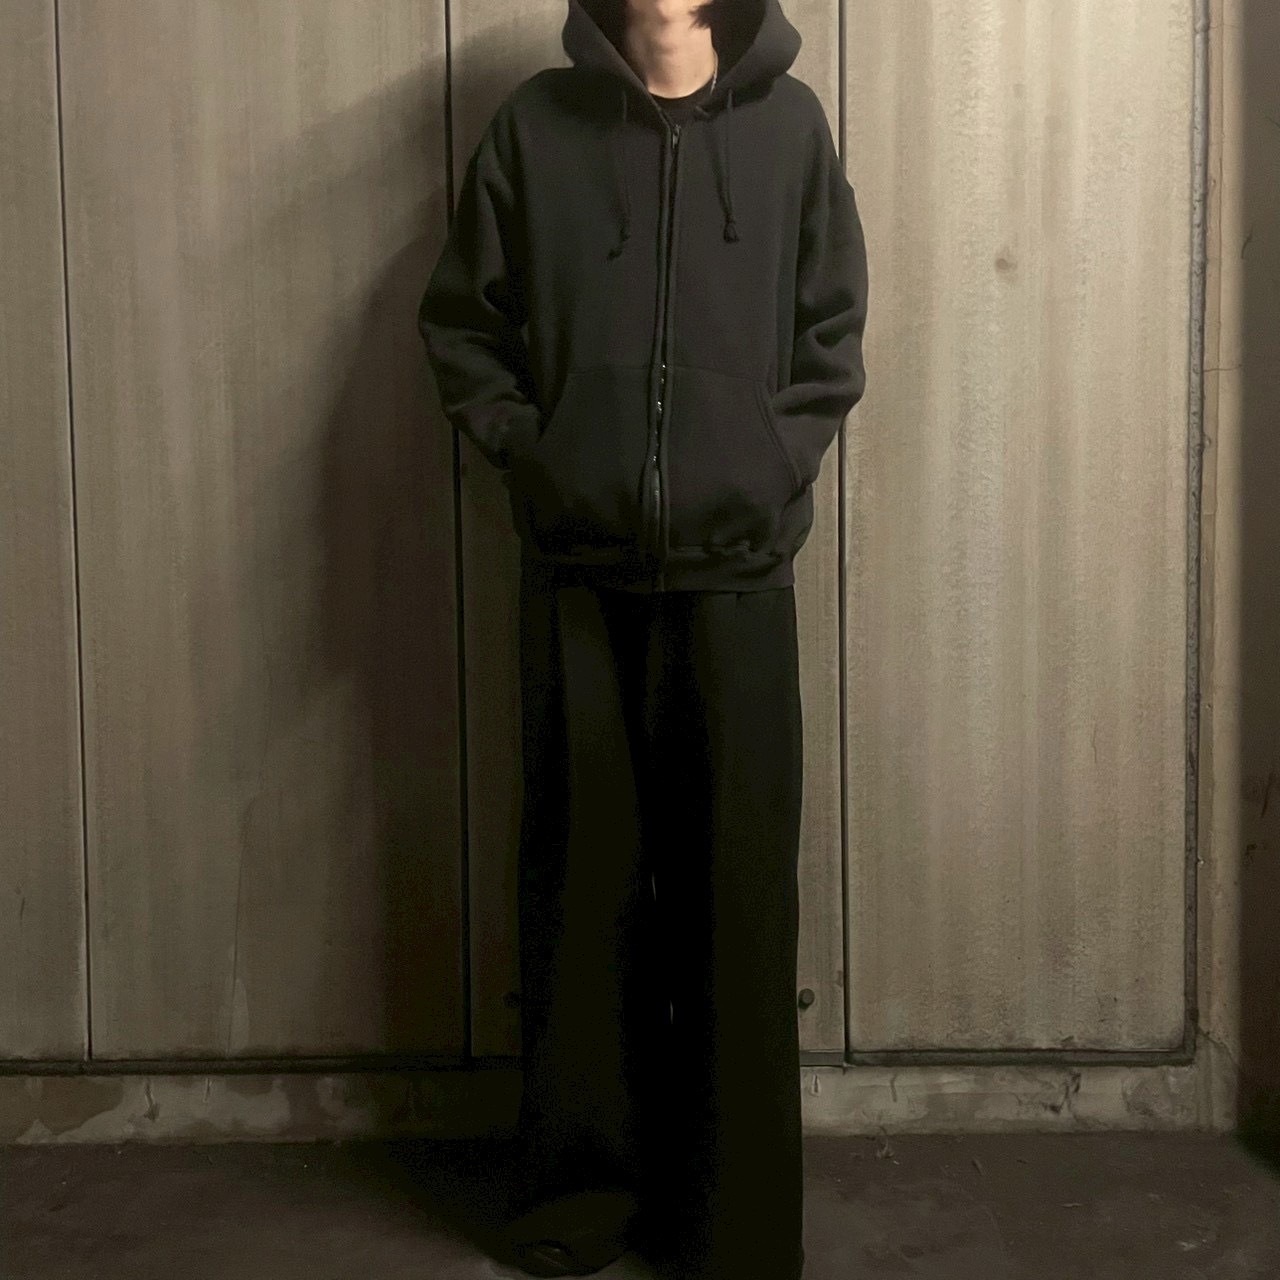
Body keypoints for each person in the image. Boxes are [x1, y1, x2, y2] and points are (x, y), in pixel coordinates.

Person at [418, 0, 868, 1275]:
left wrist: (766, 462)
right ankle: (578, 1204)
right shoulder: (534, 129)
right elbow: (462, 325)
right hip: (579, 575)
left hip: (737, 579)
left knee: (736, 906)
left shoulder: (789, 129)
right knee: (582, 898)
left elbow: (830, 333)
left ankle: (731, 1225)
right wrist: (538, 458)